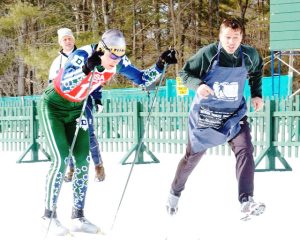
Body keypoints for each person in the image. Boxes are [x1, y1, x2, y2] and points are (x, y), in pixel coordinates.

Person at [38, 28, 177, 236]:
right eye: (113, 56)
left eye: (120, 56)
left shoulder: (118, 60)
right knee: (60, 160)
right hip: (54, 105)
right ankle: (48, 216)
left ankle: (78, 216)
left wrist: (160, 63)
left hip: (78, 108)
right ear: (102, 49)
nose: (116, 60)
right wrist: (85, 69)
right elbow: (65, 84)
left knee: (82, 161)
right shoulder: (82, 55)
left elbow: (142, 79)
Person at [166, 18, 265, 221]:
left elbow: (256, 71)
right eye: (227, 37)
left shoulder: (249, 55)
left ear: (241, 38)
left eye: (235, 38)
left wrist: (257, 94)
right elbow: (185, 73)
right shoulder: (208, 54)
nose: (231, 42)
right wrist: (198, 85)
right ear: (220, 36)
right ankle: (174, 193)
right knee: (191, 159)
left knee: (245, 149)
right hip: (206, 116)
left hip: (233, 115)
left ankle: (246, 201)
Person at [48, 27, 106, 182]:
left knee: (89, 134)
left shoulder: (85, 54)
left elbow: (96, 77)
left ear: (73, 39)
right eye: (64, 39)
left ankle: (98, 165)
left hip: (84, 101)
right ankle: (72, 168)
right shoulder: (56, 63)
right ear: (60, 42)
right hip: (64, 105)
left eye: (69, 38)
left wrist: (98, 99)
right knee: (69, 137)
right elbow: (51, 85)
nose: (67, 41)